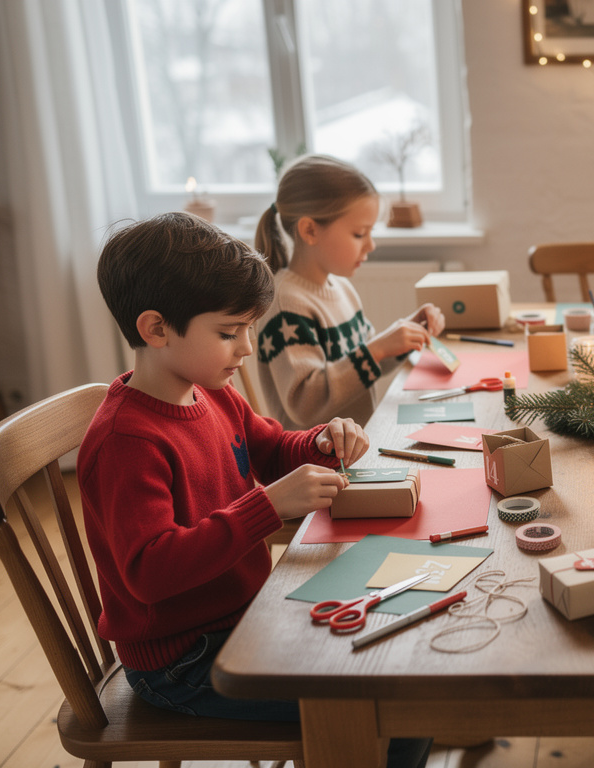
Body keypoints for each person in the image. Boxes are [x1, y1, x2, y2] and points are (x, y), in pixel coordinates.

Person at [80, 212, 431, 767]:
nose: (246, 348)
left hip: (245, 618)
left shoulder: (210, 393)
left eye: (248, 328)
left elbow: (271, 449)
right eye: (228, 332)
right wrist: (266, 507)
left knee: (403, 661)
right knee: (394, 699)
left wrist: (320, 441)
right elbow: (149, 573)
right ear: (155, 329)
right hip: (183, 661)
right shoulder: (127, 440)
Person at [253, 154, 445, 430]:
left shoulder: (342, 288)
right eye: (359, 234)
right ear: (309, 230)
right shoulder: (286, 303)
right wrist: (377, 348)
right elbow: (305, 404)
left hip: (355, 451)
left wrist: (406, 334)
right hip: (316, 466)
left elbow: (365, 367)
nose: (371, 245)